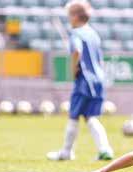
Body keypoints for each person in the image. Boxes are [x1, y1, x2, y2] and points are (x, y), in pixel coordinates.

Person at [47, 0, 113, 161]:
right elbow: (100, 58)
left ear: (75, 17)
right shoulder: (93, 33)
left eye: (69, 15)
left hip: (84, 80)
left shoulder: (76, 34)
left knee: (74, 115)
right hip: (98, 79)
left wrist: (73, 68)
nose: (69, 19)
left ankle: (66, 152)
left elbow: (77, 51)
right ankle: (105, 150)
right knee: (91, 116)